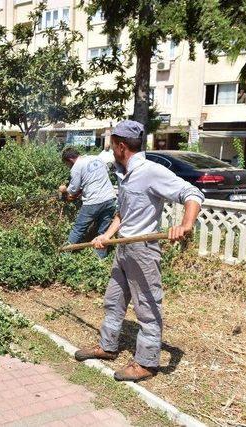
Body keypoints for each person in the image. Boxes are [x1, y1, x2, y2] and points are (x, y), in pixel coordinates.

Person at [75, 120, 204, 382]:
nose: (111, 151)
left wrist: (185, 224)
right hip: (123, 247)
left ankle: (147, 362)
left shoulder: (150, 171)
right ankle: (108, 347)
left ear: (121, 146)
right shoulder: (126, 174)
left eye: (112, 146)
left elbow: (192, 193)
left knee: (147, 307)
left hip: (143, 250)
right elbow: (123, 213)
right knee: (114, 300)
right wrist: (105, 236)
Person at [59, 146, 116, 258]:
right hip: (110, 198)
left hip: (93, 202)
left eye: (67, 164)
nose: (68, 166)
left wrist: (63, 189)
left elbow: (73, 190)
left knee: (78, 229)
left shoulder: (76, 166)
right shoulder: (97, 158)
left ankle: (64, 257)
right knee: (103, 232)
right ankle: (100, 259)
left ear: (70, 160)